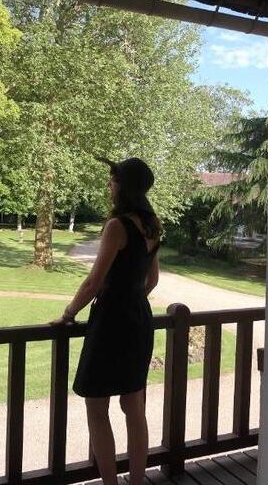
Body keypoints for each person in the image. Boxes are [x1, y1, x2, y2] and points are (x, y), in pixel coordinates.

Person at [50, 156, 162, 485]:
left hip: (112, 322)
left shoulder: (117, 226)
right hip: (139, 319)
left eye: (113, 180)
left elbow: (93, 282)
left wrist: (68, 315)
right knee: (133, 405)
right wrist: (131, 293)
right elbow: (152, 280)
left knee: (97, 406)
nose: (109, 185)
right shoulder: (152, 224)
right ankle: (137, 481)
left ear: (123, 186)